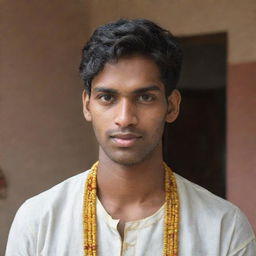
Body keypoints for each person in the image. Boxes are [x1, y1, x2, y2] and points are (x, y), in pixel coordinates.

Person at [5, 18, 256, 256]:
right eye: (107, 98)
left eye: (145, 97)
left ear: (171, 106)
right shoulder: (38, 221)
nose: (125, 118)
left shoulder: (224, 228)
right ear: (87, 105)